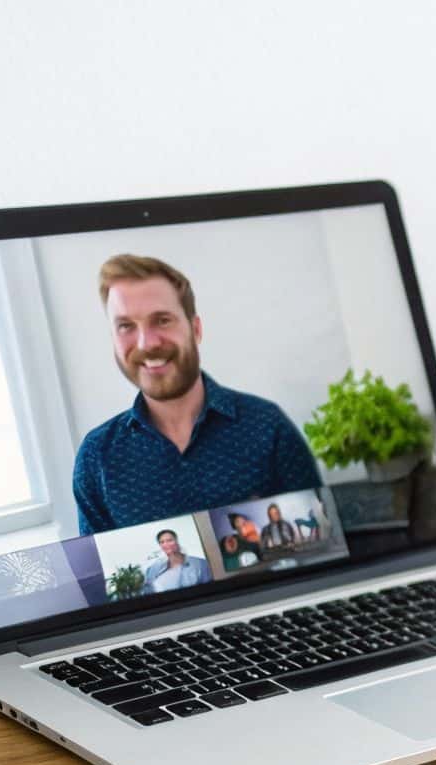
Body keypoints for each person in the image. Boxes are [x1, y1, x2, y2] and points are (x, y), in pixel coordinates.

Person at [71, 254, 322, 535]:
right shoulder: (96, 458)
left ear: (196, 329)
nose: (147, 343)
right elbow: (103, 577)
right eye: (126, 326)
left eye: (162, 320)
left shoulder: (268, 426)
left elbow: (322, 544)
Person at [142, 528, 210, 592]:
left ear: (177, 541)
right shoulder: (154, 568)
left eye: (169, 540)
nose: (166, 544)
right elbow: (148, 590)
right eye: (162, 542)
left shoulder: (200, 564)